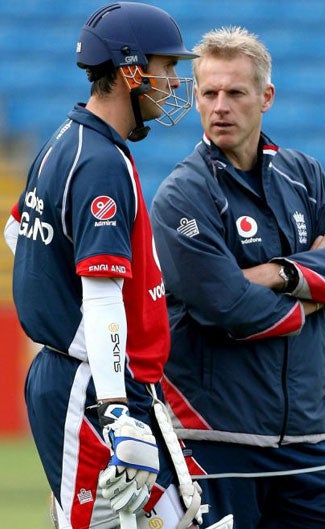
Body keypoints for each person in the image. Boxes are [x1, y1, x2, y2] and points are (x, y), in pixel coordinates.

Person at [150, 26, 325, 529]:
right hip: (214, 444)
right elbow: (228, 307)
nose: (220, 106)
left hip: (306, 442)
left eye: (235, 92)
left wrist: (279, 273)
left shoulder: (305, 175)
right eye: (208, 93)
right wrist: (316, 293)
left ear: (266, 97)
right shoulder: (182, 197)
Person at [2, 3, 213, 529]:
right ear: (130, 71)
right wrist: (116, 410)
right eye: (165, 68)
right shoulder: (98, 160)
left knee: (179, 517)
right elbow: (100, 295)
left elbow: (17, 233)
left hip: (104, 378)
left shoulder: (65, 142)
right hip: (94, 387)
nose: (172, 83)